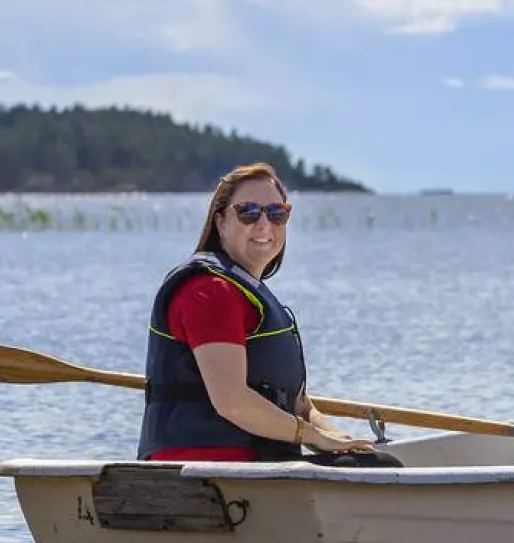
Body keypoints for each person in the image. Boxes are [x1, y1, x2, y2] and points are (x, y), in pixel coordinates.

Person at [136, 162, 402, 467]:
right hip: (207, 470)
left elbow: (300, 405)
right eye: (248, 211)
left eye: (277, 213)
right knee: (385, 469)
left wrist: (341, 439)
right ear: (220, 221)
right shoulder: (209, 291)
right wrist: (313, 437)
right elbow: (232, 402)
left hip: (259, 463)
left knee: (376, 461)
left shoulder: (247, 292)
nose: (264, 224)